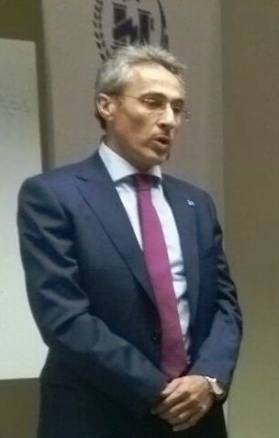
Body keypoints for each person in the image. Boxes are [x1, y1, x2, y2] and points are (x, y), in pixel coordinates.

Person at [17, 45, 241, 437]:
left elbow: (224, 305)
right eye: (153, 103)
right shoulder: (52, 196)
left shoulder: (195, 204)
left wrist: (208, 379)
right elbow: (63, 317)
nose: (168, 120)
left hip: (196, 417)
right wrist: (160, 391)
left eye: (177, 108)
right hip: (97, 415)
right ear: (106, 105)